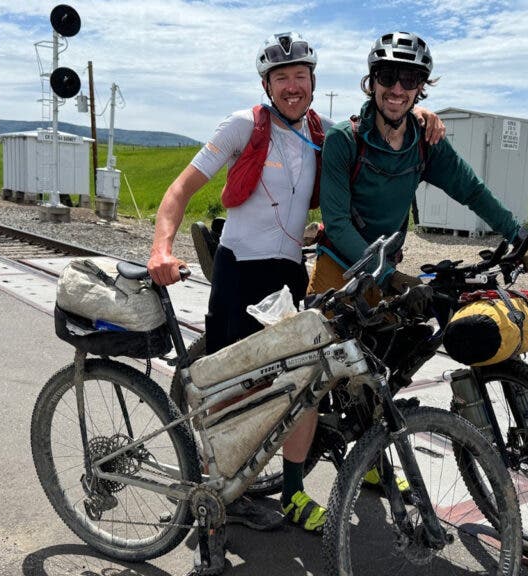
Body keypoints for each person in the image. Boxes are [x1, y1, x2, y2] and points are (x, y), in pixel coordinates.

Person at [147, 32, 445, 533]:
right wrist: (161, 248)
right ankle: (221, 489)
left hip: (288, 271)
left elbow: (376, 123)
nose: (292, 86)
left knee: (298, 385)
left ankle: (291, 493)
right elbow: (180, 189)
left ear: (313, 82)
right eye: (281, 77)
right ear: (267, 83)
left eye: (300, 76)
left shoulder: (321, 132)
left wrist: (418, 114)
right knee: (228, 389)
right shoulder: (244, 125)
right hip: (240, 268)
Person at [310, 31, 528, 300]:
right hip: (338, 266)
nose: (397, 89)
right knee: (325, 339)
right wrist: (387, 275)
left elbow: (472, 191)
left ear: (420, 87)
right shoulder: (345, 140)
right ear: (373, 81)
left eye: (409, 79)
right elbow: (337, 224)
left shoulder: (425, 142)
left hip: (386, 270)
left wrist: (519, 235)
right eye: (387, 76)